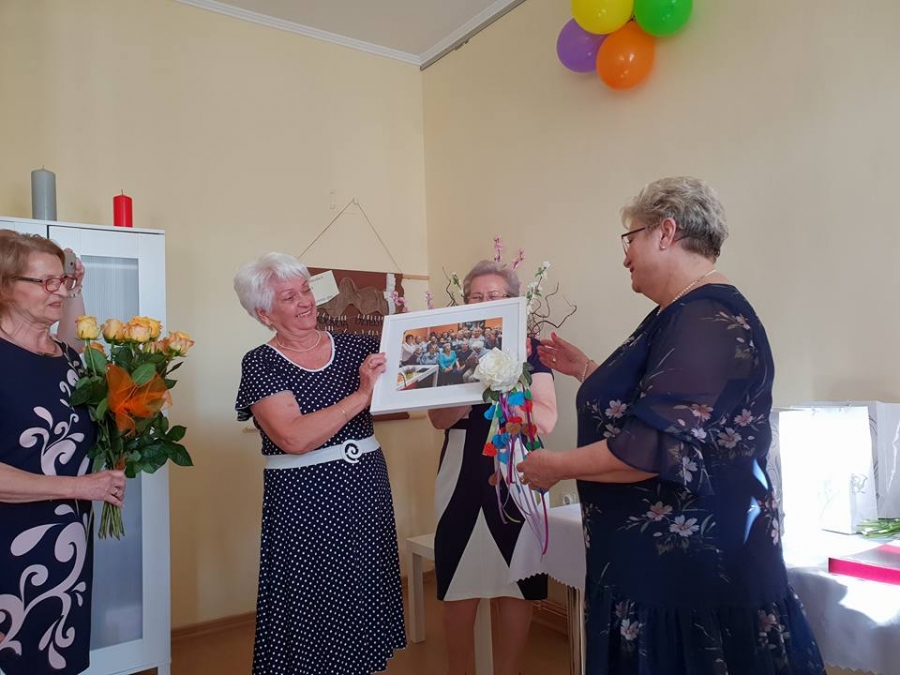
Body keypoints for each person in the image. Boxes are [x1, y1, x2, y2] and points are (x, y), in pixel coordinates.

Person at [520, 177, 826, 674]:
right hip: (661, 570)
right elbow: (665, 407)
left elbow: (653, 449)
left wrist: (553, 466)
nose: (625, 257)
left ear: (665, 232)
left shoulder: (705, 315)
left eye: (630, 239)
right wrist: (588, 371)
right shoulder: (678, 311)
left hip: (689, 579)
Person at [233, 252, 406, 675]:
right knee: (315, 599)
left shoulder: (358, 347)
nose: (305, 302)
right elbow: (293, 437)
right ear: (264, 314)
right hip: (305, 500)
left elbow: (412, 379)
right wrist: (361, 396)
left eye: (305, 290)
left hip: (365, 488)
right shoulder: (260, 362)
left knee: (364, 590)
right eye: (289, 297)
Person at [0, 230, 126, 675]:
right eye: (46, 282)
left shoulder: (67, 359)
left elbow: (79, 349)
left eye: (64, 281)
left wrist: (75, 288)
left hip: (66, 542)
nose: (59, 290)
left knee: (55, 655)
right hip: (8, 543)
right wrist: (80, 486)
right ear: (4, 285)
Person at [428, 259, 558, 675]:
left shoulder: (530, 349)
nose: (485, 302)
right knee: (457, 581)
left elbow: (547, 420)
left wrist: (507, 386)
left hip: (518, 467)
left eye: (495, 295)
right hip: (459, 471)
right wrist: (471, 381)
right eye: (476, 296)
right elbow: (438, 420)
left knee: (517, 582)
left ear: (513, 301)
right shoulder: (451, 349)